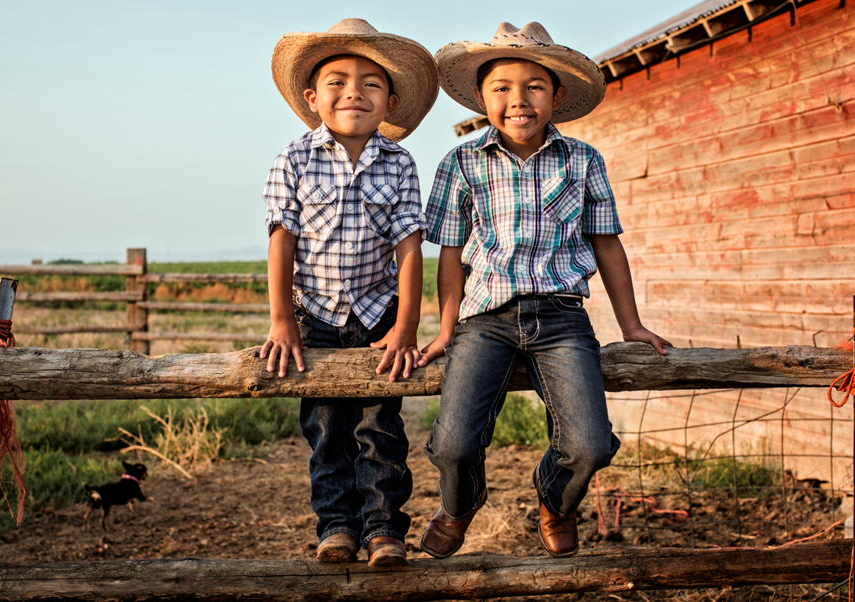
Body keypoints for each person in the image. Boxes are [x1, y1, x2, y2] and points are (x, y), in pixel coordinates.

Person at [416, 22, 672, 559]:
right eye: (502, 88)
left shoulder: (583, 160)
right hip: (484, 319)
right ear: (482, 97)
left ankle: (556, 501)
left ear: (556, 95)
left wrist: (631, 326)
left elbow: (607, 247)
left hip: (561, 318)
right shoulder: (461, 162)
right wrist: (444, 328)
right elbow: (449, 256)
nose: (518, 100)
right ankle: (459, 506)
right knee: (454, 444)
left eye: (534, 86)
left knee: (589, 445)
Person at [260, 18, 438, 567]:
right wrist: (282, 319)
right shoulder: (294, 158)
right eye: (337, 81)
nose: (353, 92)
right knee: (326, 428)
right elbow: (281, 240)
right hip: (313, 315)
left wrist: (405, 325)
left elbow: (410, 247)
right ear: (312, 98)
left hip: (379, 314)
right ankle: (337, 526)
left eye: (370, 83)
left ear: (390, 101)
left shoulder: (401, 163)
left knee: (379, 427)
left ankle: (384, 529)